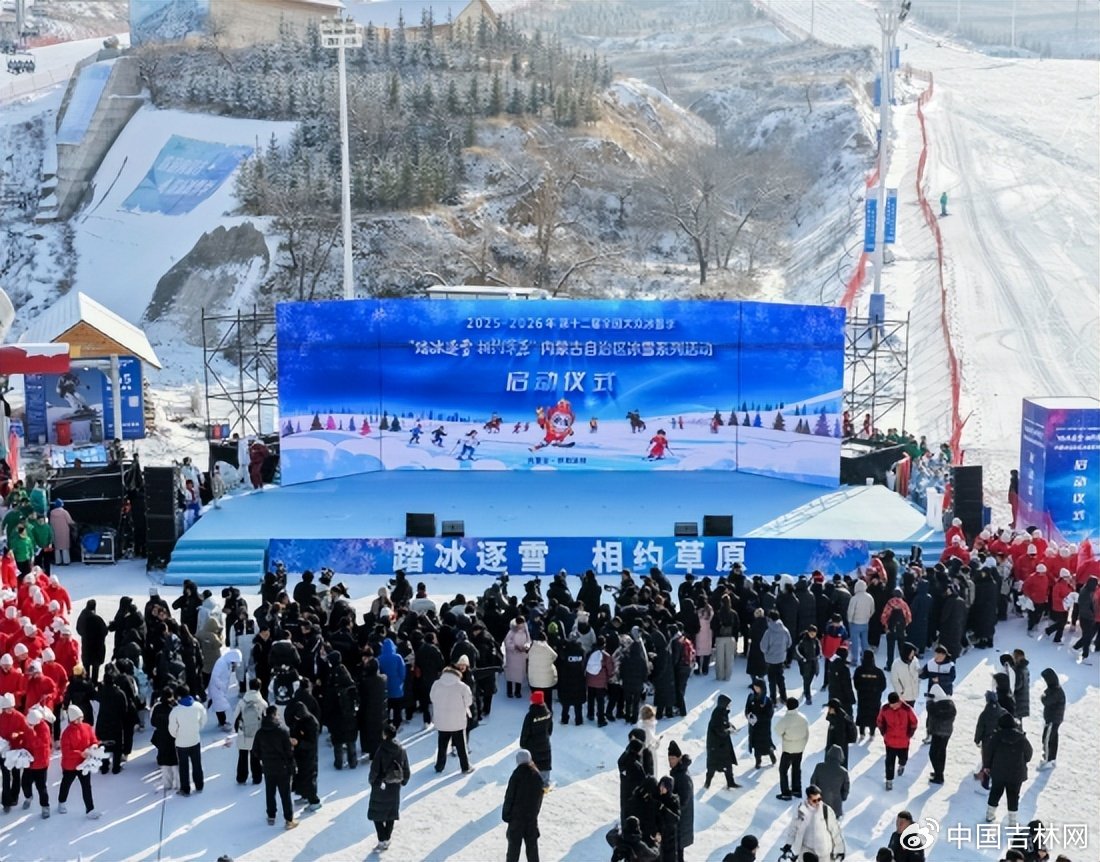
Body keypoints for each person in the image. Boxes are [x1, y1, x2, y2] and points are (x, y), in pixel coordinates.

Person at [252, 705, 298, 830]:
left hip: (268, 767)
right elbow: (288, 752)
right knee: (285, 794)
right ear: (275, 715)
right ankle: (289, 820)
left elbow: (255, 750)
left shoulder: (260, 732)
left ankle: (271, 816)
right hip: (282, 767)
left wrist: (263, 758)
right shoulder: (282, 731)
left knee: (270, 792)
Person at [368, 723, 410, 852]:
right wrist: (403, 781)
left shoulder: (381, 750)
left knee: (377, 814)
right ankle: (387, 838)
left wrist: (372, 781)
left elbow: (375, 769)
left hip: (381, 785)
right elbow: (406, 768)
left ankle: (382, 839)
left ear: (385, 735)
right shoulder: (401, 749)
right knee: (391, 814)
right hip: (394, 786)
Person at [986, 710, 1033, 826]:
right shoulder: (1021, 738)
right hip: (1016, 773)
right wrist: (1022, 761)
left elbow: (988, 753)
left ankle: (989, 814)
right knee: (1013, 796)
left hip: (998, 772)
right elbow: (1029, 753)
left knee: (995, 792)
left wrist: (987, 766)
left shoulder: (997, 737)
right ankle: (1012, 820)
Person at [781, 785, 846, 862]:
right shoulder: (801, 811)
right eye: (814, 800)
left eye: (819, 799)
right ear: (808, 799)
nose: (818, 802)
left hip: (824, 853)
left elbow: (835, 831)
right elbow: (793, 829)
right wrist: (789, 844)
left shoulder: (826, 811)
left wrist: (839, 850)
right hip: (807, 851)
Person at [430, 662, 473, 774]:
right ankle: (465, 767)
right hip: (457, 721)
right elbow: (469, 701)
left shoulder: (436, 684)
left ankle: (439, 766)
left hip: (442, 721)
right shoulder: (462, 687)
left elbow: (432, 698)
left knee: (442, 746)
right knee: (461, 746)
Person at [502, 748, 543, 862]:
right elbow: (539, 798)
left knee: (513, 848)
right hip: (531, 818)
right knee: (532, 848)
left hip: (517, 818)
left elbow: (509, 797)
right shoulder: (537, 776)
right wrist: (535, 813)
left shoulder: (516, 776)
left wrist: (506, 815)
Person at [168, 684, 207, 796]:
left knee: (184, 767)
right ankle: (199, 785)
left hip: (181, 744)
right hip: (195, 740)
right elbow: (203, 721)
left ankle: (185, 789)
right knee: (197, 764)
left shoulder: (175, 711)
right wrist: (196, 729)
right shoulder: (198, 706)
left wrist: (178, 735)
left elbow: (172, 729)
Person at [876, 692, 918, 790]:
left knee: (903, 758)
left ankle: (902, 765)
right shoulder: (885, 709)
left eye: (895, 705)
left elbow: (914, 721)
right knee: (889, 762)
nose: (893, 707)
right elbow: (879, 721)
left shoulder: (907, 709)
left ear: (899, 702)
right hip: (890, 741)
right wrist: (883, 732)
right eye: (891, 705)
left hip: (903, 741)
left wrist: (910, 734)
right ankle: (889, 780)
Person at [232, 678, 267, 785]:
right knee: (255, 756)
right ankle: (257, 778)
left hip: (244, 732)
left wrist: (237, 729)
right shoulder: (262, 702)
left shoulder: (242, 702)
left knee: (242, 756)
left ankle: (241, 777)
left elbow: (235, 717)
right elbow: (266, 718)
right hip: (257, 734)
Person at [775, 698, 809, 801]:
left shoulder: (785, 719)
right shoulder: (803, 718)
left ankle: (785, 793)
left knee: (783, 770)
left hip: (788, 748)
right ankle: (796, 790)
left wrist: (785, 737)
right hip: (800, 748)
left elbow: (777, 731)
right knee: (796, 768)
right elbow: (807, 733)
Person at [20, 706, 52, 818]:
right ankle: (28, 797)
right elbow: (25, 740)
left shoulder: (44, 728)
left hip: (41, 763)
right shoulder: (29, 726)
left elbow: (40, 744)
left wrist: (32, 733)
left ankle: (45, 807)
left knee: (41, 787)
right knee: (24, 783)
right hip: (29, 761)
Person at [704, 694, 741, 789]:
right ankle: (707, 783)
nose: (729, 705)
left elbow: (724, 723)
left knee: (727, 764)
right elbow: (719, 730)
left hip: (722, 745)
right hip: (716, 746)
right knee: (713, 766)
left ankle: (730, 782)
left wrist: (729, 725)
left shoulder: (722, 712)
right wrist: (729, 731)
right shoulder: (717, 714)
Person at [519, 690, 553, 790]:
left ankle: (533, 786)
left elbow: (525, 731)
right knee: (545, 763)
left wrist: (523, 744)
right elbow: (550, 729)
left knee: (534, 765)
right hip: (545, 743)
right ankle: (545, 784)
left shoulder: (530, 716)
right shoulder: (548, 713)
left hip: (532, 745)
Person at [667, 740, 694, 862]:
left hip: (681, 819)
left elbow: (683, 800)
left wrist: (670, 806)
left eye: (673, 758)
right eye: (669, 758)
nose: (670, 761)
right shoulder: (677, 772)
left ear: (679, 758)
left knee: (678, 851)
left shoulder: (683, 776)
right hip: (678, 818)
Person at [924, 684, 956, 784]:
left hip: (938, 733)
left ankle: (939, 775)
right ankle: (939, 772)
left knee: (933, 754)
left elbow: (931, 711)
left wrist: (929, 701)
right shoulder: (951, 704)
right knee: (941, 753)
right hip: (947, 733)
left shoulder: (936, 706)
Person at [760, 611, 791, 703]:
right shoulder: (785, 630)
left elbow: (763, 646)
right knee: (780, 678)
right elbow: (789, 643)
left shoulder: (768, 632)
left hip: (770, 659)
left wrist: (768, 652)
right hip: (781, 658)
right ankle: (783, 696)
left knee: (771, 680)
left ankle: (773, 698)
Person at [744, 678, 776, 769]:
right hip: (754, 727)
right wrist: (748, 715)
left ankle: (771, 754)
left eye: (757, 687)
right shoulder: (751, 697)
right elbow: (747, 708)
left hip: (764, 727)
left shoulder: (767, 700)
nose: (756, 689)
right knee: (756, 746)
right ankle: (758, 761)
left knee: (766, 744)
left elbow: (769, 715)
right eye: (755, 687)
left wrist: (758, 718)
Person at [1038, 667, 1064, 769]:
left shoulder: (1055, 691)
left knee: (1047, 739)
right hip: (1054, 719)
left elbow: (1045, 700)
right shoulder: (1055, 689)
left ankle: (1047, 760)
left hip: (1052, 720)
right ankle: (1052, 759)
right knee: (1052, 739)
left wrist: (1043, 696)